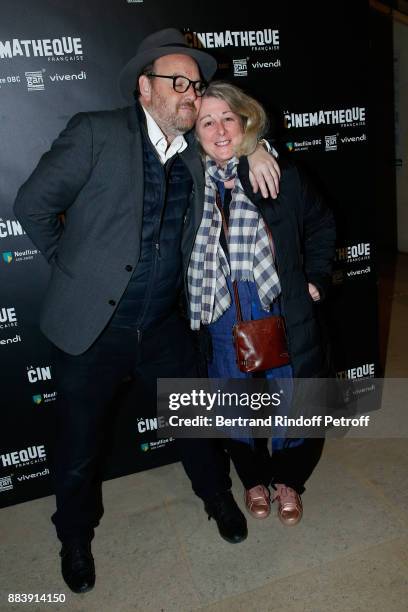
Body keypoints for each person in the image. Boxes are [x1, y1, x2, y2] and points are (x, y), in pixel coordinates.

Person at [13, 29, 281, 593]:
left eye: (196, 83)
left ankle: (217, 501)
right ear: (144, 87)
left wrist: (257, 146)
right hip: (93, 331)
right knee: (79, 445)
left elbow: (234, 137)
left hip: (162, 324)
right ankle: (75, 537)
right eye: (177, 82)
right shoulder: (97, 132)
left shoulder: (193, 152)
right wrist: (75, 272)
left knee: (196, 425)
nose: (191, 93)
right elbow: (33, 205)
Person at [190, 81, 336, 529]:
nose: (218, 130)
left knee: (291, 398)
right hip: (218, 309)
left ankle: (288, 480)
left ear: (245, 121)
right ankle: (253, 479)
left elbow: (321, 225)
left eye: (227, 119)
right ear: (193, 132)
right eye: (206, 121)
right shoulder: (187, 181)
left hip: (276, 305)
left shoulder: (278, 174)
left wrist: (313, 277)